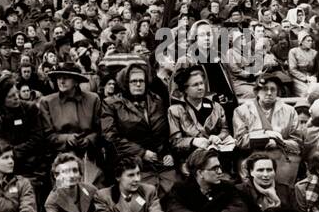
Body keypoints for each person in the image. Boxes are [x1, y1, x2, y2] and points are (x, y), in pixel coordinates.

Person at [102, 62, 176, 192]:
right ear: (125, 83)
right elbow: (110, 137)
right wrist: (141, 153)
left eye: (141, 81)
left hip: (159, 161)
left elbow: (166, 132)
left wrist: (168, 153)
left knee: (176, 190)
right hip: (129, 161)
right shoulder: (112, 104)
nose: (138, 84)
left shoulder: (156, 100)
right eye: (133, 81)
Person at [232, 71, 303, 186]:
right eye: (265, 89)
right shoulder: (242, 111)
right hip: (252, 160)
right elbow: (240, 140)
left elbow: (298, 143)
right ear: (257, 91)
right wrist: (264, 137)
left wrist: (279, 142)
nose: (269, 93)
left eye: (273, 89)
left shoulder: (290, 111)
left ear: (277, 92)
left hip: (282, 160)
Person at [38, 65, 103, 178]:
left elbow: (100, 129)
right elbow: (46, 135)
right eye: (59, 78)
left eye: (66, 78)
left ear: (76, 81)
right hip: (60, 156)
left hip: (89, 156)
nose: (61, 81)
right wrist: (67, 139)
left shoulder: (93, 99)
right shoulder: (47, 102)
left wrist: (89, 140)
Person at [167, 67, 235, 170]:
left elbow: (225, 129)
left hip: (217, 156)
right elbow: (175, 142)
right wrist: (193, 141)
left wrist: (218, 137)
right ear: (185, 89)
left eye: (201, 83)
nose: (200, 87)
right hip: (191, 160)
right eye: (195, 85)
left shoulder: (216, 106)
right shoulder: (175, 110)